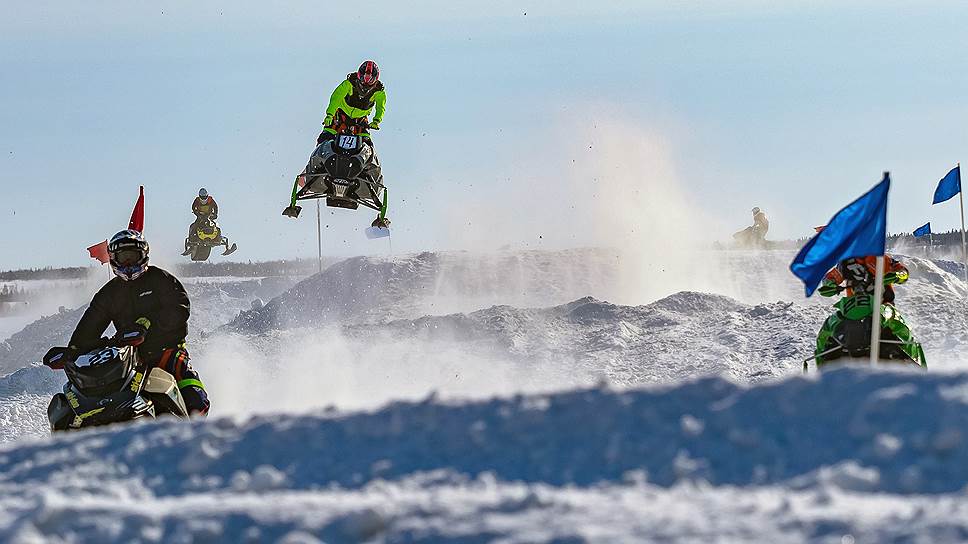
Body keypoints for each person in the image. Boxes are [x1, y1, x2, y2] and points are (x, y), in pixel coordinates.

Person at [68, 230, 210, 415]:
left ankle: (197, 432)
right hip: (130, 358)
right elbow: (89, 326)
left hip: (167, 350)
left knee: (196, 403)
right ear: (113, 259)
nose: (128, 263)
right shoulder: (109, 294)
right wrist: (71, 351)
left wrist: (148, 323)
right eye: (123, 257)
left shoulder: (161, 279)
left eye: (133, 256)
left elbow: (180, 308)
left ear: (144, 256)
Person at [316, 60, 387, 145]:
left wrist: (376, 121)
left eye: (370, 80)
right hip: (340, 117)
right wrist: (330, 115)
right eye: (363, 78)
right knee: (324, 138)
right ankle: (317, 157)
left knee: (368, 144)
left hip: (360, 122)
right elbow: (336, 98)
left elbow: (380, 108)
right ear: (359, 75)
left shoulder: (379, 92)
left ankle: (370, 158)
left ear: (375, 79)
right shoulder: (348, 83)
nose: (365, 83)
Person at [818, 255, 909, 304]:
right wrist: (830, 285)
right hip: (855, 306)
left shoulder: (881, 258)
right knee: (834, 326)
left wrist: (897, 276)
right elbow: (828, 278)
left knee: (897, 326)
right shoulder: (845, 264)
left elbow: (903, 272)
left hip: (883, 305)